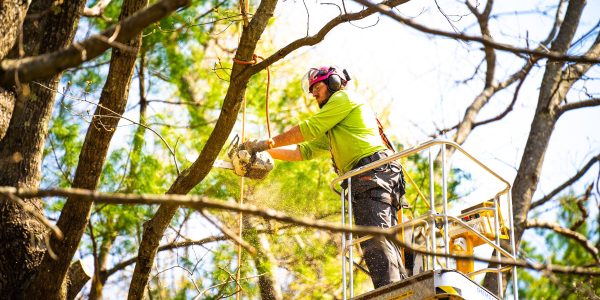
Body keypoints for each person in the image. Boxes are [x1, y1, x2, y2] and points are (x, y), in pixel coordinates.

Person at [243, 66, 408, 289]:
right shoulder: (335, 126)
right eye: (311, 90)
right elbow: (303, 151)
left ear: (333, 83)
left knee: (374, 236)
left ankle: (391, 291)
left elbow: (310, 128)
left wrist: (267, 142)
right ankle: (396, 288)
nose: (314, 94)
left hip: (373, 171)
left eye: (317, 87)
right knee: (375, 237)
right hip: (369, 176)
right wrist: (261, 151)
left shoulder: (343, 98)